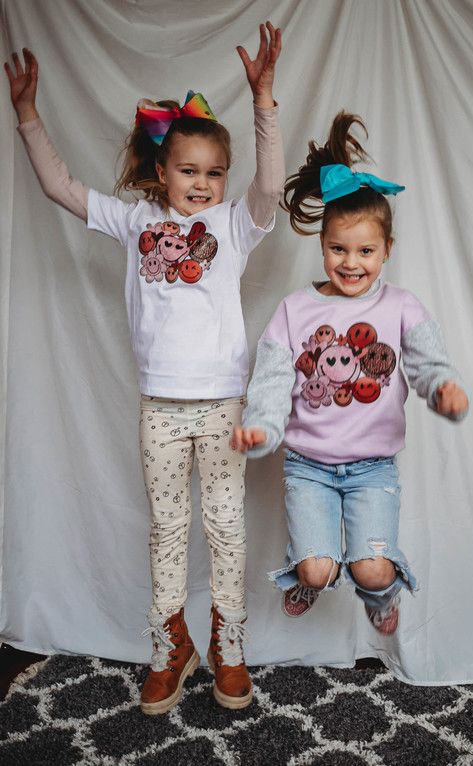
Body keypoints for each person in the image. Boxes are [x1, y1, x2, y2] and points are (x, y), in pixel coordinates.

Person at [4, 21, 283, 713]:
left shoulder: (235, 224)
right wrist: (29, 114)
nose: (202, 183)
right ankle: (170, 644)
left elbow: (271, 185)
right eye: (189, 170)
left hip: (221, 404)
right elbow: (62, 188)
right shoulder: (135, 223)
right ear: (162, 172)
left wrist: (264, 102)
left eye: (214, 173)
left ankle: (229, 644)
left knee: (226, 526)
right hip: (160, 407)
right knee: (167, 528)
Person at [232, 111, 468, 637]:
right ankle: (306, 577)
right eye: (338, 249)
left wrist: (442, 389)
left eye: (365, 251)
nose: (351, 262)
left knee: (373, 571)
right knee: (317, 569)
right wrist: (261, 427)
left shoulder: (401, 306)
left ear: (387, 250)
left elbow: (427, 363)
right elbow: (272, 380)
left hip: (373, 470)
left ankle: (382, 597)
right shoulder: (295, 309)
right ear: (322, 245)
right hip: (308, 467)